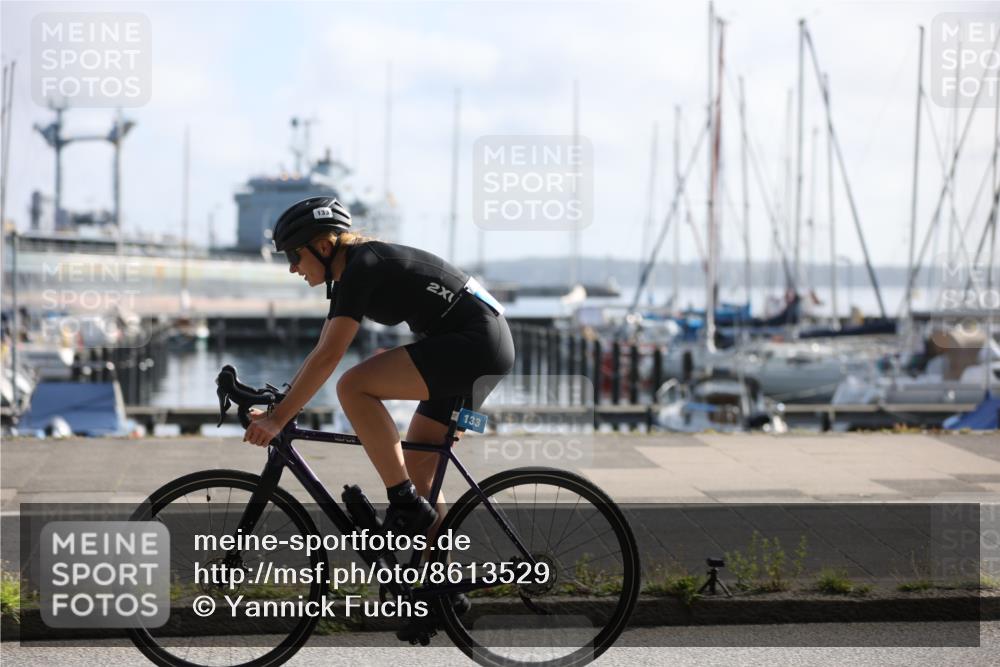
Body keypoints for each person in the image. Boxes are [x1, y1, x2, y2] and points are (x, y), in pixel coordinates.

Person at [243, 196, 515, 543]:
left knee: (354, 386)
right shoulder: (351, 272)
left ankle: (403, 502)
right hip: (478, 346)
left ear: (324, 247)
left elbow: (330, 356)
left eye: (294, 255)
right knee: (420, 472)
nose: (292, 267)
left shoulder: (363, 265)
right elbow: (320, 351)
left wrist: (279, 420)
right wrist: (278, 407)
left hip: (476, 345)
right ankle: (438, 590)